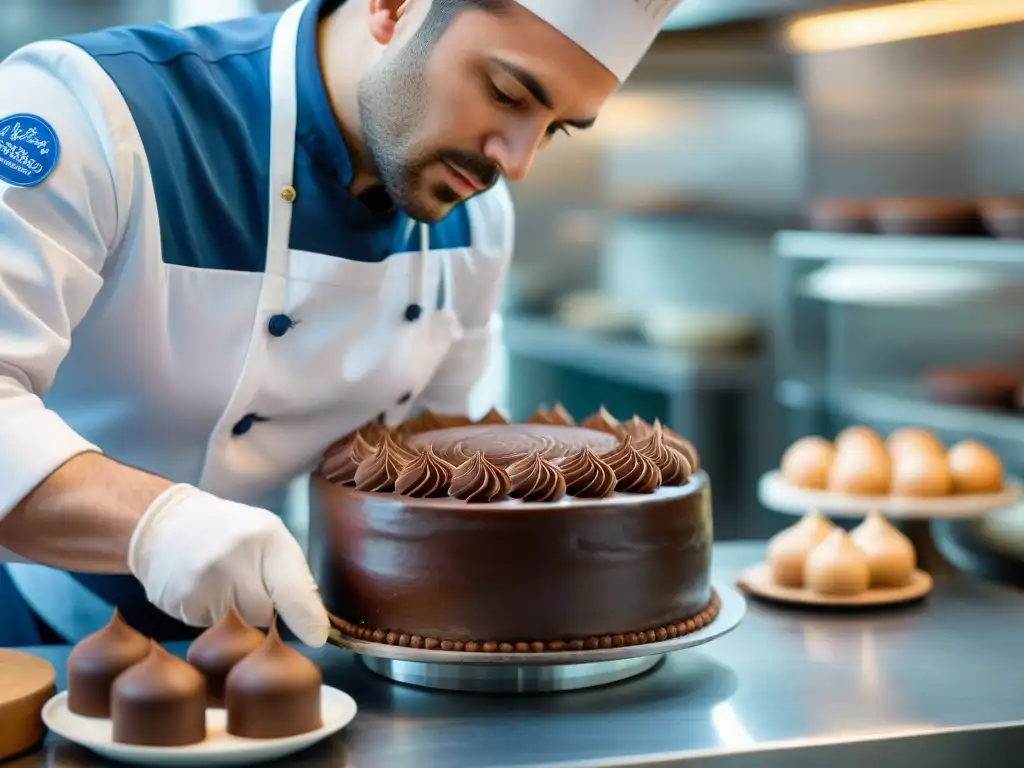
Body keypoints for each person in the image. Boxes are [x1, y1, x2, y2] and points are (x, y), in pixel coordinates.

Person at [0, 0, 682, 647]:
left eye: (556, 127)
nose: (518, 161)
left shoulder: (475, 221)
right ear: (391, 8)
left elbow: (436, 469)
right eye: (506, 93)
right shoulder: (93, 110)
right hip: (37, 638)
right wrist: (157, 528)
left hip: (295, 646)